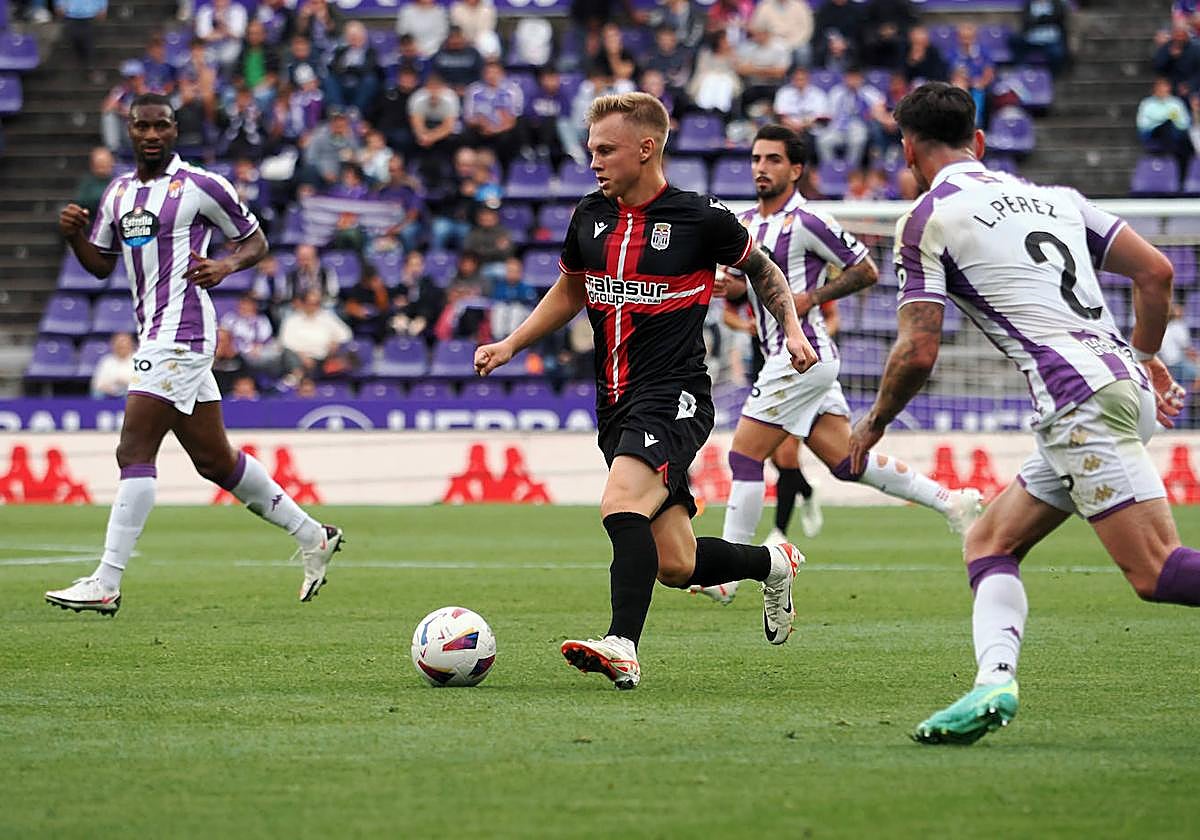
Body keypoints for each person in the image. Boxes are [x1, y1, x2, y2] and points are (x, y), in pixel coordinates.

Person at [847, 82, 1190, 745]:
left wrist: (875, 422)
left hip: (1078, 399)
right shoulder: (1058, 200)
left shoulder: (926, 218)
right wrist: (1145, 355)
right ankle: (992, 683)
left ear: (908, 150)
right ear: (978, 142)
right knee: (990, 541)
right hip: (1119, 381)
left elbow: (918, 351)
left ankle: (992, 682)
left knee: (1155, 571)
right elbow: (1157, 274)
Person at [474, 93, 818, 689]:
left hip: (675, 393)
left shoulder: (700, 218)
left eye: (606, 150)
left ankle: (622, 645)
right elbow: (571, 288)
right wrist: (512, 343)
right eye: (590, 151)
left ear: (646, 148)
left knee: (620, 505)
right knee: (677, 565)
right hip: (614, 400)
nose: (595, 162)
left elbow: (762, 270)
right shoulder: (589, 216)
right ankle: (773, 563)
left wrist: (790, 327)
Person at [49, 93, 343, 615]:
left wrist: (226, 267)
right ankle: (313, 534)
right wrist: (74, 236)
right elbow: (99, 265)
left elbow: (256, 242)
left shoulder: (201, 186)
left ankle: (106, 580)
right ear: (130, 131)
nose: (153, 135)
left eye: (162, 126)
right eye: (143, 126)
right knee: (214, 461)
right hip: (155, 334)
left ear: (175, 130)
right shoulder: (117, 194)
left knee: (133, 452)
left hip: (182, 332)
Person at [691, 124, 980, 605]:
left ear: (797, 169)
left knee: (743, 454)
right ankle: (952, 502)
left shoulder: (808, 220)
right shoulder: (744, 223)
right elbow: (753, 284)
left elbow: (865, 267)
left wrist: (810, 297)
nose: (762, 167)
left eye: (774, 160)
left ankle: (728, 574)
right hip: (788, 356)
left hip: (802, 354)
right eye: (757, 159)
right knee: (847, 462)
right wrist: (736, 288)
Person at [90, 331, 136, 398]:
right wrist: (110, 387)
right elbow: (97, 383)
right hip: (109, 394)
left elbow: (141, 382)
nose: (122, 348)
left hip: (129, 393)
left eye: (125, 346)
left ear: (131, 345)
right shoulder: (106, 361)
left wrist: (126, 382)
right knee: (97, 394)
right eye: (119, 346)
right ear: (113, 346)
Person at [75, 146, 115, 218]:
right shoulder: (87, 183)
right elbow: (81, 201)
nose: (102, 167)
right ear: (93, 165)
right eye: (100, 164)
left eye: (105, 163)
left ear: (112, 163)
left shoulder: (118, 182)